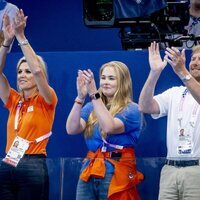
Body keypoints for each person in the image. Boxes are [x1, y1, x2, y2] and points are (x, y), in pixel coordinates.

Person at [0, 9, 57, 200]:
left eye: (27, 71)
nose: (23, 74)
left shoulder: (46, 99)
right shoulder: (14, 99)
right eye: (19, 71)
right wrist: (6, 43)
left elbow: (38, 71)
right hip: (8, 162)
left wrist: (20, 36)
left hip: (33, 165)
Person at [66, 61, 144, 200]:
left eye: (111, 78)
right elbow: (72, 129)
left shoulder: (132, 109)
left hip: (116, 171)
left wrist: (94, 94)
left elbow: (109, 127)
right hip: (89, 169)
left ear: (123, 82)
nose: (105, 82)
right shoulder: (91, 107)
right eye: (103, 77)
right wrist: (80, 97)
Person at [139, 41, 200, 199]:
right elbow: (145, 106)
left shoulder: (185, 76)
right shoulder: (175, 93)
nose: (195, 62)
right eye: (193, 58)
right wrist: (154, 73)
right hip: (170, 169)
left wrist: (182, 72)